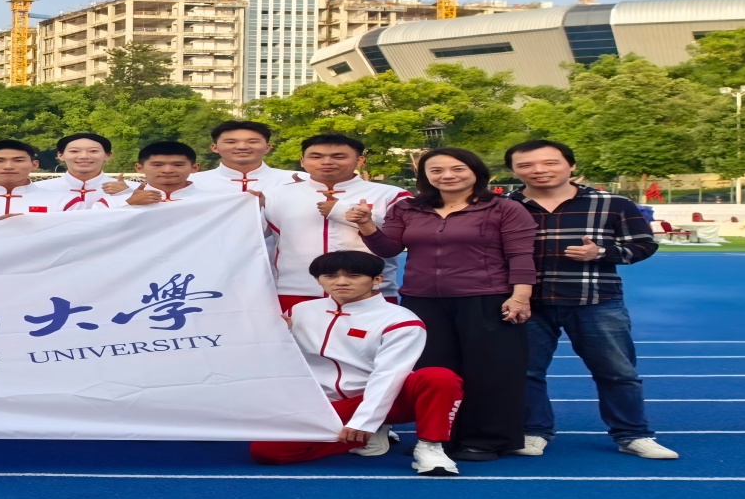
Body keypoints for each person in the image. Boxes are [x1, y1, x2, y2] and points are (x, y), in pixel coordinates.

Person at [348, 147, 537, 462]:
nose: (447, 176)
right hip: (423, 300)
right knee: (435, 371)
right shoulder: (408, 208)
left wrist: (521, 296)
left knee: (491, 371)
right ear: (425, 176)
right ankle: (438, 437)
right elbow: (388, 248)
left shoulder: (504, 208)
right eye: (436, 170)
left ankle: (486, 439)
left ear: (476, 171)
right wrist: (367, 224)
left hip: (486, 297)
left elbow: (520, 254)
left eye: (457, 168)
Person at [505, 140, 676, 459]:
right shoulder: (504, 206)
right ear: (513, 171)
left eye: (550, 162)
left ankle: (632, 434)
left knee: (617, 372)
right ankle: (533, 430)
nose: (539, 170)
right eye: (526, 165)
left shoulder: (612, 203)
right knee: (524, 372)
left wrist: (602, 252)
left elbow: (643, 245)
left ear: (571, 165)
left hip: (596, 300)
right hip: (526, 303)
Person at [250, 251, 464, 476]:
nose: (341, 282)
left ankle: (430, 447)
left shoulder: (401, 320)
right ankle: (363, 438)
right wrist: (276, 338)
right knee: (268, 452)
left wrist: (365, 421)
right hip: (328, 404)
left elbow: (389, 375)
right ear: (318, 280)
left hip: (388, 399)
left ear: (377, 279)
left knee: (439, 378)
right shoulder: (299, 311)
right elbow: (279, 360)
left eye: (353, 276)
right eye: (330, 276)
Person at [260, 134, 408, 312]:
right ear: (302, 161)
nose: (326, 162)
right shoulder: (272, 196)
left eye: (339, 156)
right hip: (295, 291)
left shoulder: (392, 195)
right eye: (316, 156)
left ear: (360, 160)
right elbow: (250, 240)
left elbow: (398, 239)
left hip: (370, 293)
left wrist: (343, 212)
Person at [190, 120, 299, 193]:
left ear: (268, 147)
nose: (242, 147)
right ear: (215, 147)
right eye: (231, 142)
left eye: (252, 141)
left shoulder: (296, 180)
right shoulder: (191, 182)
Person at [28, 132, 125, 210]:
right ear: (60, 155)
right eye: (74, 151)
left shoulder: (129, 189)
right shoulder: (36, 189)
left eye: (93, 151)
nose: (84, 156)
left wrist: (126, 194)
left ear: (108, 155)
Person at [102, 141, 202, 207]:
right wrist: (130, 204)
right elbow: (98, 228)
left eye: (178, 165)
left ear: (194, 168)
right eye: (157, 165)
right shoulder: (109, 204)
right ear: (139, 168)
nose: (167, 170)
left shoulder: (209, 202)